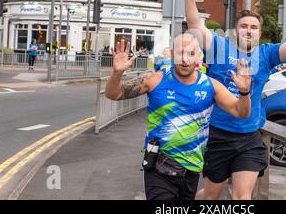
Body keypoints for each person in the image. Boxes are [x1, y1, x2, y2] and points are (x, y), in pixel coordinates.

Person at [179, 0, 286, 200]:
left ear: (260, 32)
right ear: (235, 30)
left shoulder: (267, 54)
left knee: (242, 197)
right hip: (218, 134)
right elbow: (195, 25)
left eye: (254, 27)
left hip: (249, 137)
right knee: (211, 196)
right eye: (244, 26)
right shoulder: (219, 48)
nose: (248, 30)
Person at [105, 35, 252, 200]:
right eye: (180, 53)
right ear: (172, 54)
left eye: (190, 53)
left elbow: (242, 112)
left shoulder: (210, 86)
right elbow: (113, 94)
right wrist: (117, 73)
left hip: (192, 169)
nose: (184, 59)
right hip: (159, 167)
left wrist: (244, 92)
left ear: (198, 56)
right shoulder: (154, 80)